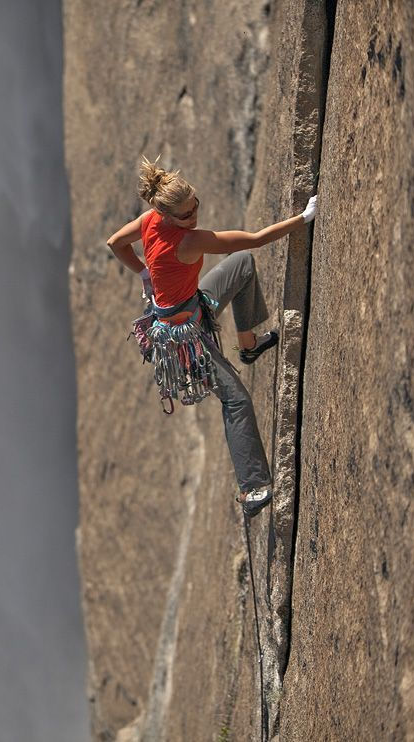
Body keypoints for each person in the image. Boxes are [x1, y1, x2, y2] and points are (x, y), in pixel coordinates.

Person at [105, 156, 318, 517]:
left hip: (193, 307)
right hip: (184, 341)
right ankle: (253, 489)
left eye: (195, 207)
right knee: (236, 401)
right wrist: (304, 218)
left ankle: (248, 346)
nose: (194, 217)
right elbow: (255, 238)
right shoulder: (189, 241)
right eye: (186, 215)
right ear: (168, 216)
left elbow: (115, 243)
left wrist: (143, 274)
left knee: (241, 267)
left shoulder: (149, 221)